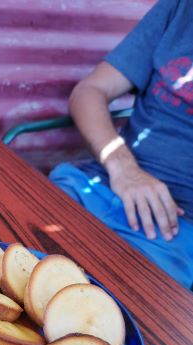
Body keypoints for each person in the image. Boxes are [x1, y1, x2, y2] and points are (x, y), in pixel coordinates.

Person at [49, 0, 193, 289]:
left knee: (99, 306)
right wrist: (123, 168)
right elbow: (90, 90)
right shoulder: (181, 8)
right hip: (95, 184)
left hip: (170, 229)